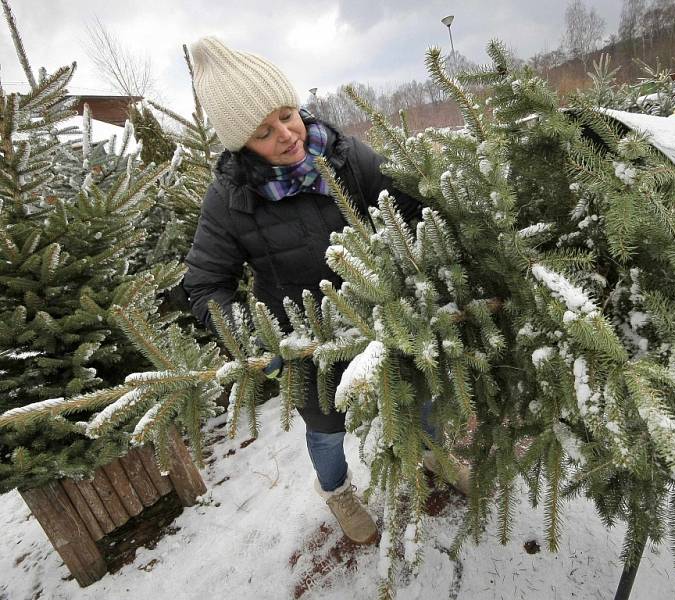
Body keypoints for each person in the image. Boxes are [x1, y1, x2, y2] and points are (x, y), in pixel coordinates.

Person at [183, 36, 469, 545]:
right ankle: (337, 491)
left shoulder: (346, 155)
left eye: (287, 115)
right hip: (307, 341)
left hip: (386, 314)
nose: (286, 135)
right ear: (240, 144)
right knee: (326, 427)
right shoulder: (230, 201)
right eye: (263, 132)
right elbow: (206, 282)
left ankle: (431, 451)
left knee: (418, 393)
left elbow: (411, 204)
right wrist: (255, 338)